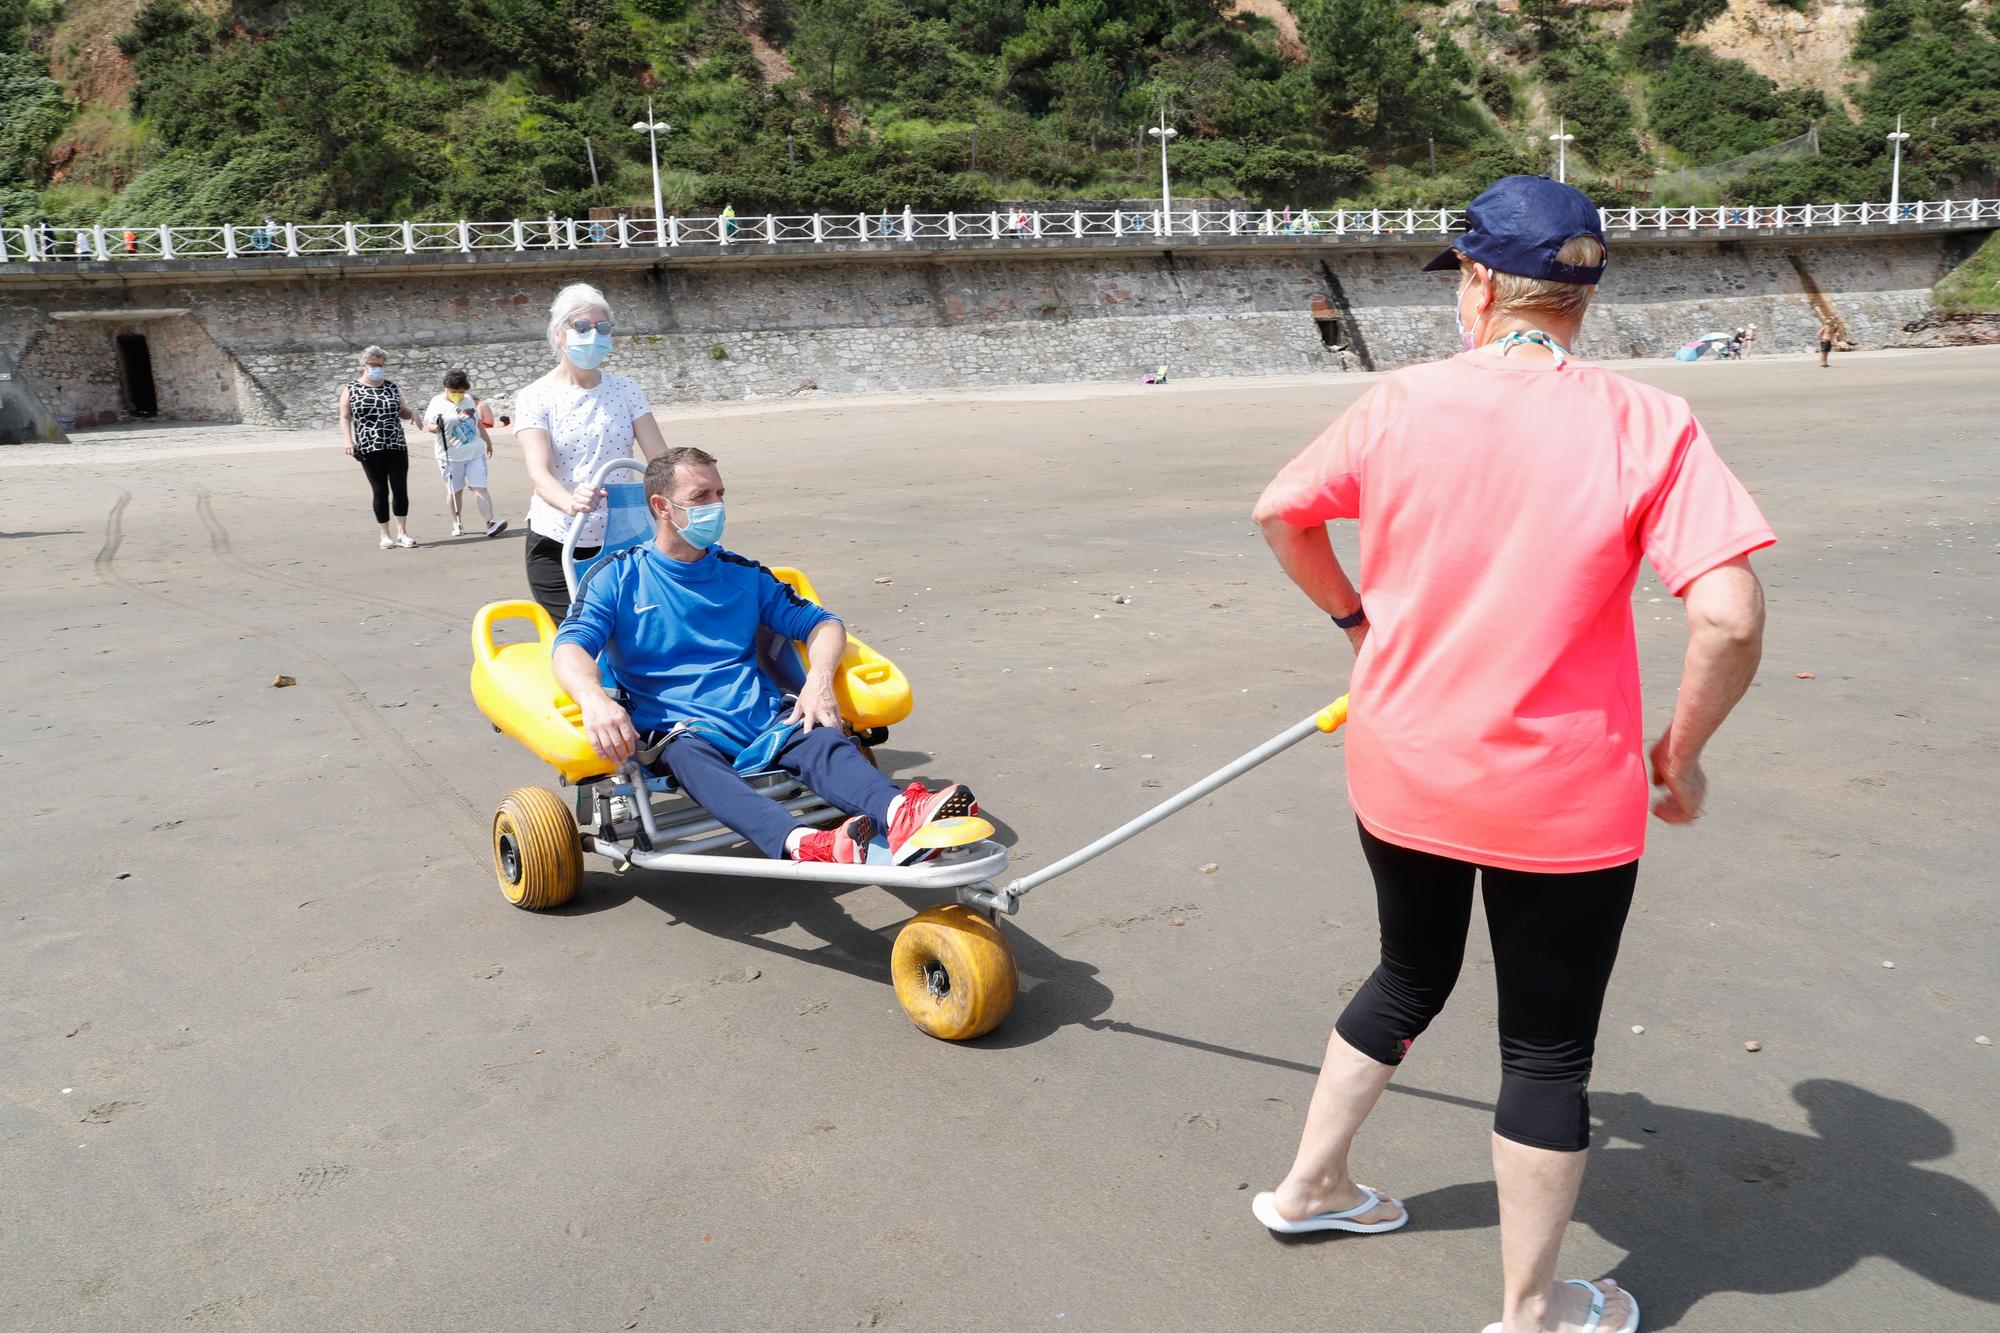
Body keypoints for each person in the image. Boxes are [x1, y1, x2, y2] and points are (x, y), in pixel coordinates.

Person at [1249, 176, 1772, 1333]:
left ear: (1478, 284)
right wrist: (1678, 757)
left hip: (1403, 763)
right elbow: (1728, 615)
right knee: (1542, 1048)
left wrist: (1353, 622)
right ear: (1583, 289)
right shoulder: (1646, 420)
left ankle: (1306, 1187)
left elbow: (1282, 512)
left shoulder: (1396, 404)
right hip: (1561, 797)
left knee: (1404, 973)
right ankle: (1528, 1312)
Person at [552, 446, 982, 865]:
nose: (715, 507)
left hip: (759, 715)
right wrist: (594, 699)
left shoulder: (743, 574)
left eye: (720, 494)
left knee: (820, 737)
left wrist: (817, 684)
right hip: (677, 728)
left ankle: (898, 814)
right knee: (690, 757)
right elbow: (570, 646)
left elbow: (823, 624)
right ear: (662, 506)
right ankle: (802, 843)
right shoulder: (617, 576)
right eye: (701, 497)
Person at [514, 282, 668, 621]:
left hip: (625, 539)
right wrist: (571, 502)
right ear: (558, 333)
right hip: (559, 540)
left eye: (603, 327)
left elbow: (660, 460)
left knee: (634, 635)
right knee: (581, 639)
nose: (593, 334)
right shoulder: (534, 397)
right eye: (581, 326)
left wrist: (689, 490)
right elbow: (540, 473)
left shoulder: (627, 391)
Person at [339, 345, 420, 549]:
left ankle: (402, 532)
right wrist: (348, 441)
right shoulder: (351, 388)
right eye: (372, 364)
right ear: (363, 365)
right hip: (369, 446)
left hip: (396, 444)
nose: (376, 368)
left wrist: (414, 414)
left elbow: (401, 410)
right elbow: (345, 416)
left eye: (380, 365)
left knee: (400, 488)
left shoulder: (392, 387)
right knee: (380, 490)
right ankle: (385, 534)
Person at [422, 369, 506, 539]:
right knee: (455, 491)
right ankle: (457, 523)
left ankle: (490, 522)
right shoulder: (437, 402)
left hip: (474, 451)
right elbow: (429, 425)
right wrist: (435, 428)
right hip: (450, 455)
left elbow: (478, 424)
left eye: (461, 391)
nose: (458, 395)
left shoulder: (468, 400)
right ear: (446, 387)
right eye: (454, 392)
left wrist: (487, 442)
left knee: (480, 487)